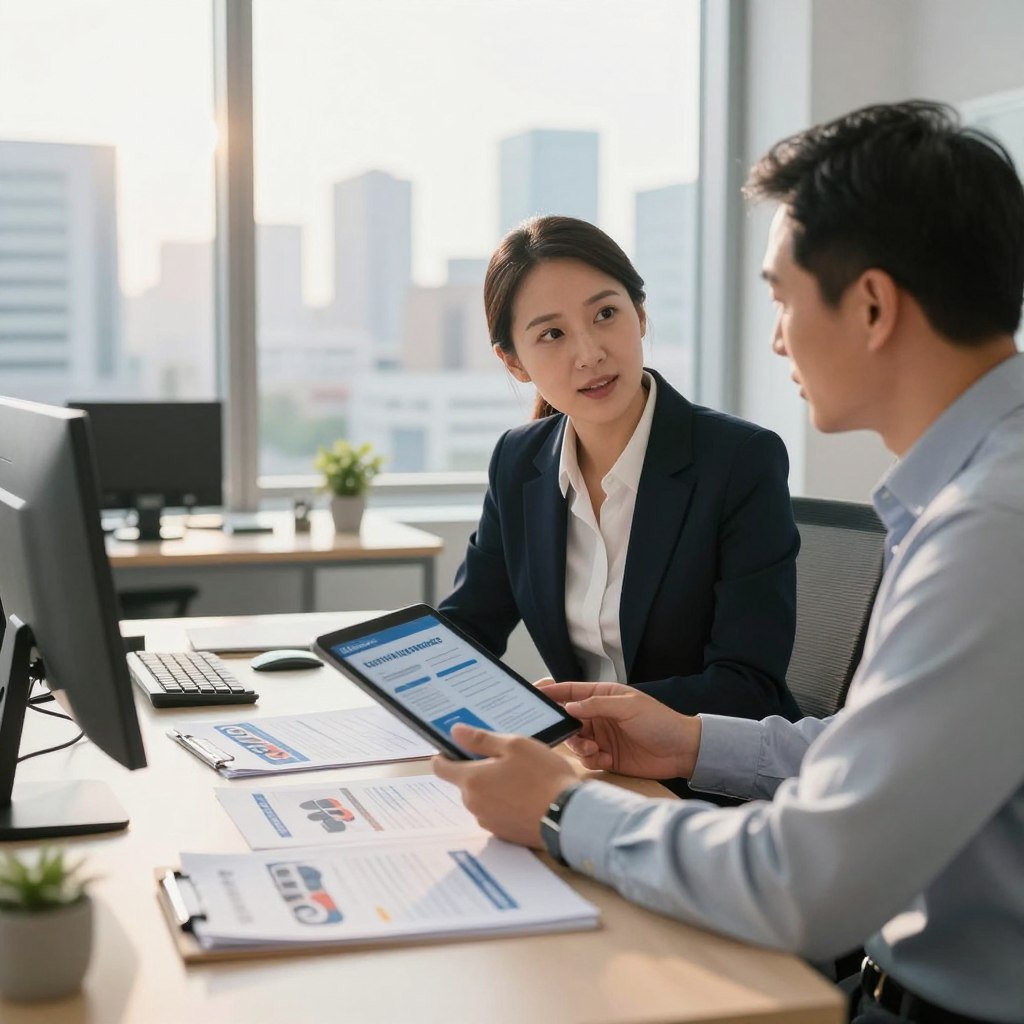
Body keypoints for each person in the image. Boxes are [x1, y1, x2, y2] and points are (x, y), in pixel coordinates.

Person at [434, 101, 1024, 1024]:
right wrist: (692, 738)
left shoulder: (994, 528)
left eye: (783, 298)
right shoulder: (972, 497)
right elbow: (881, 752)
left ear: (870, 305)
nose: (779, 337)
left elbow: (806, 879)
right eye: (550, 333)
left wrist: (560, 811)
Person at [440, 216, 802, 754]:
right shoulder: (519, 463)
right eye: (552, 334)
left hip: (707, 779)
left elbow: (748, 686)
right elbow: (468, 628)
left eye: (606, 314)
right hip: (589, 765)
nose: (589, 353)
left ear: (640, 314)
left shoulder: (738, 461)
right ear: (513, 362)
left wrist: (577, 715)